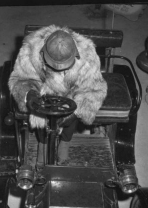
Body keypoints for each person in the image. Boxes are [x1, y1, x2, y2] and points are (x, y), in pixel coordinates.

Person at [9, 26, 108, 163]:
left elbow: (93, 89)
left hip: (70, 94)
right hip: (43, 92)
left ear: (76, 54)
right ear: (42, 51)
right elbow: (20, 79)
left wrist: (76, 112)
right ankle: (43, 143)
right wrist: (28, 94)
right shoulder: (30, 50)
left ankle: (65, 141)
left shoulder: (88, 54)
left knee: (74, 112)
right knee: (39, 114)